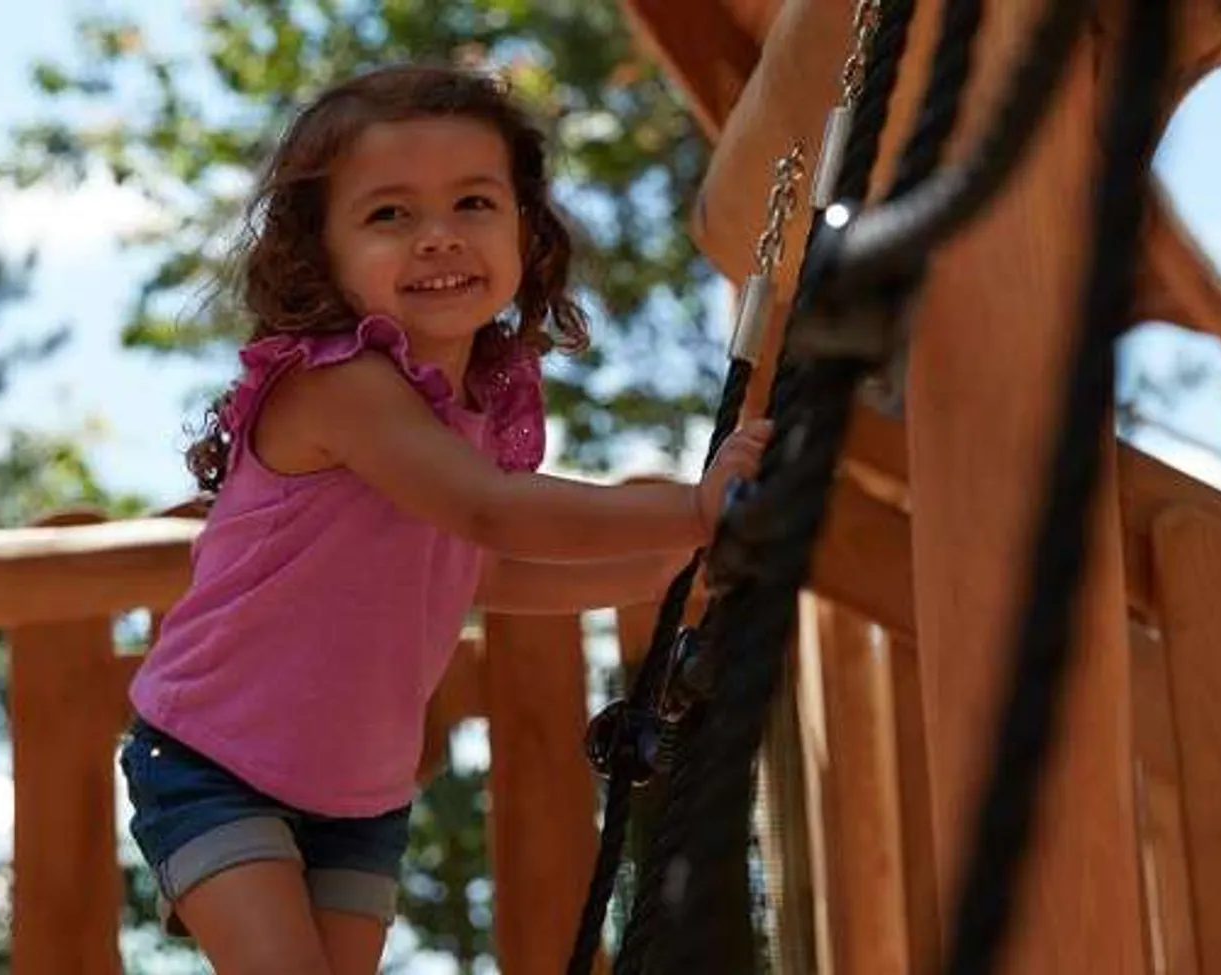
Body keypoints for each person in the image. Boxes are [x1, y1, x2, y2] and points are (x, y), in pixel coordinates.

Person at [118, 62, 772, 974]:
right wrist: (692, 507)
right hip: (210, 759)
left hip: (360, 791)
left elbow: (486, 571)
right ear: (322, 251)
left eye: (473, 203)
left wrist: (678, 565)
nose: (439, 238)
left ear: (525, 229)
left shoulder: (474, 407)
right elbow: (486, 511)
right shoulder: (339, 386)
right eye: (390, 213)